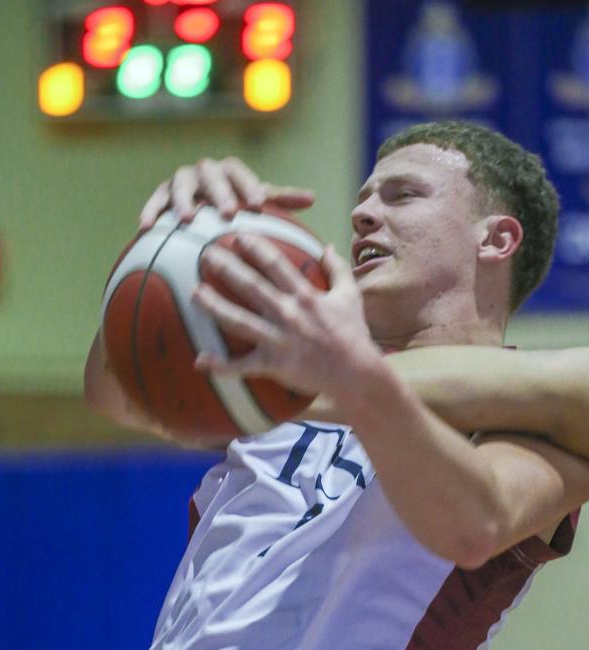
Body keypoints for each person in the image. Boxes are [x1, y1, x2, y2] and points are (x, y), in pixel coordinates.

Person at [85, 120, 589, 649]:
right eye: (364, 200)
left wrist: (340, 380)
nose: (363, 215)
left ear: (497, 238)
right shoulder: (287, 368)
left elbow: (474, 528)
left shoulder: (547, 413)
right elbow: (113, 389)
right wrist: (171, 239)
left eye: (404, 196)